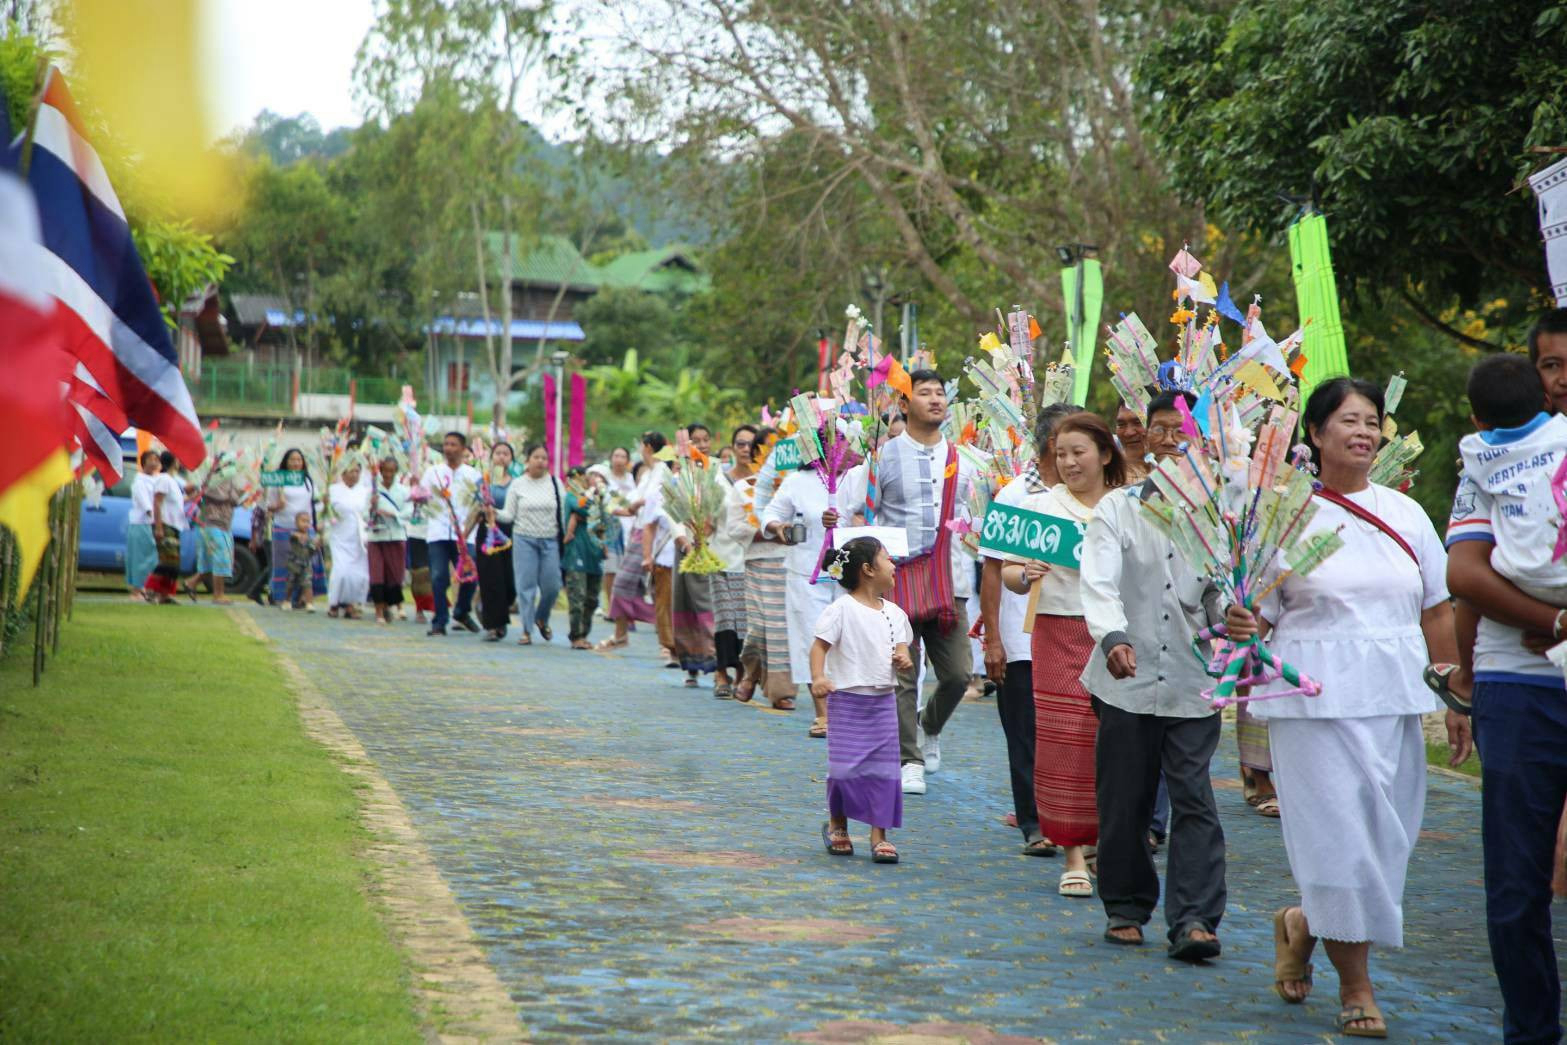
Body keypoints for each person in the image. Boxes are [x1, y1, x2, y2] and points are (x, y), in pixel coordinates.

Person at [1228, 377, 1468, 1038]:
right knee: (1337, 840)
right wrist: (1239, 618)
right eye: (1347, 420)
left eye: (1371, 422)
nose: (1361, 432)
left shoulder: (1406, 512)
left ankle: (1303, 921)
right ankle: (1356, 985)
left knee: (1386, 837)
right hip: (1310, 696)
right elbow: (1254, 612)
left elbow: (1436, 607)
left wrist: (1454, 694)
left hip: (1391, 694)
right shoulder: (1280, 517)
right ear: (1313, 433)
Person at [1445, 309, 1567, 1045]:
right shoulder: (1487, 462)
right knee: (1517, 880)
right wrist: (1552, 624)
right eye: (1551, 366)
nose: (1562, 382)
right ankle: (1531, 1031)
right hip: (1517, 684)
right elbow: (1463, 569)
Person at [1079, 389, 1226, 960]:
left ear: (1203, 445)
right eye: (1160, 429)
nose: (1169, 440)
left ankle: (1194, 919)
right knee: (1125, 800)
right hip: (1126, 680)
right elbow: (1099, 579)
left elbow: (1220, 593)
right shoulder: (1117, 510)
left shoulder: (1221, 519)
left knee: (1193, 798)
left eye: (1181, 431)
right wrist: (1113, 636)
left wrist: (1232, 620)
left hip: (1194, 681)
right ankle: (1126, 903)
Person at [839, 370, 982, 796]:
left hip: (948, 581)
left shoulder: (966, 460)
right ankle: (909, 759)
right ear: (904, 404)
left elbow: (982, 516)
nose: (935, 399)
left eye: (941, 393)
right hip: (894, 582)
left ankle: (928, 725)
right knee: (904, 675)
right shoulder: (880, 458)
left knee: (958, 673)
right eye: (925, 393)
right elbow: (857, 514)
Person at [1002, 412, 1124, 898]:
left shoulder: (1127, 506)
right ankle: (1071, 851)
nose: (1070, 462)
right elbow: (1008, 573)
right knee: (1063, 740)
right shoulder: (1040, 506)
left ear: (1105, 454)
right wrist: (1025, 573)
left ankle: (1100, 836)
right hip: (1057, 630)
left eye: (1079, 451)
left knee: (1112, 739)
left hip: (1115, 633)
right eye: (1061, 454)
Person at [980, 402, 1076, 857]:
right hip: (1021, 641)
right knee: (1024, 733)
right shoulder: (1014, 496)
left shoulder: (1090, 498)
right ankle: (1034, 822)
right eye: (1066, 440)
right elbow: (993, 570)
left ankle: (1074, 821)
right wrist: (993, 640)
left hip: (1074, 636)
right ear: (1047, 445)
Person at [811, 537, 915, 864]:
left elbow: (902, 648)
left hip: (883, 702)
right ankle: (837, 823)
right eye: (887, 558)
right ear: (868, 570)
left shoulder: (896, 613)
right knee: (844, 770)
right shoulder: (840, 609)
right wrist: (818, 677)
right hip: (847, 702)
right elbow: (819, 647)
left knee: (884, 772)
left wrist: (904, 659)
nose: (894, 564)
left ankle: (878, 836)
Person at [762, 445, 846, 738]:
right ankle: (823, 713)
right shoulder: (798, 481)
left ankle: (849, 712)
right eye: (840, 443)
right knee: (814, 638)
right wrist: (779, 526)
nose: (847, 450)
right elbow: (770, 513)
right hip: (806, 573)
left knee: (848, 642)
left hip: (853, 576)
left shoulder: (861, 476)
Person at [602, 434, 670, 651]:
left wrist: (637, 504)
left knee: (649, 588)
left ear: (648, 447)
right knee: (631, 586)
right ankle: (622, 635)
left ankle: (668, 642)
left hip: (653, 535)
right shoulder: (647, 474)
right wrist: (609, 503)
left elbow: (654, 502)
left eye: (642, 445)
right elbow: (631, 504)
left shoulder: (663, 472)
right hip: (638, 533)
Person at [499, 443, 566, 645]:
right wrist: (492, 512)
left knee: (552, 585)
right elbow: (508, 514)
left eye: (544, 458)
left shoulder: (555, 483)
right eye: (536, 457)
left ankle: (541, 617)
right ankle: (527, 630)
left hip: (550, 539)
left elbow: (562, 512)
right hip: (524, 539)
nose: (540, 461)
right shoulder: (518, 484)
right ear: (527, 461)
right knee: (525, 586)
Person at [710, 425, 759, 698]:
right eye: (739, 444)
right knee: (724, 618)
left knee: (744, 621)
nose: (744, 449)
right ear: (732, 447)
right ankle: (721, 672)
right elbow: (707, 519)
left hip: (750, 559)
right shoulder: (718, 481)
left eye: (750, 444)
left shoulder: (765, 481)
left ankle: (743, 673)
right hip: (719, 557)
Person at [420, 431, 482, 636]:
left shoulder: (473, 475)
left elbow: (479, 504)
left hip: (465, 534)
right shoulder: (433, 473)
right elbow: (421, 496)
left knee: (470, 574)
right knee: (438, 577)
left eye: (454, 444)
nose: (449, 448)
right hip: (438, 531)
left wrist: (468, 528)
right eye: (446, 444)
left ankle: (462, 611)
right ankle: (439, 621)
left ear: (463, 449)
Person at [267, 448, 323, 608]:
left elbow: (316, 503)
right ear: (286, 462)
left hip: (306, 529)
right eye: (292, 460)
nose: (296, 463)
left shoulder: (307, 480)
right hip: (283, 528)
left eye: (299, 460)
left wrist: (317, 522)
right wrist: (277, 506)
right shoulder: (278, 480)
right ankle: (282, 598)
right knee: (286, 564)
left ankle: (303, 598)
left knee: (307, 563)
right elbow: (266, 505)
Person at [184, 455, 242, 604]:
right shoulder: (210, 480)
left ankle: (191, 583)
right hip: (210, 524)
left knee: (213, 560)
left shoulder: (230, 480)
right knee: (220, 558)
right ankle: (218, 594)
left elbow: (235, 501)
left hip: (224, 523)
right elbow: (219, 495)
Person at [474, 443, 516, 641]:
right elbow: (475, 509)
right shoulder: (483, 481)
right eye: (498, 453)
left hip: (509, 532)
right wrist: (464, 533)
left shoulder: (516, 483)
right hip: (486, 531)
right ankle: (493, 625)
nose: (501, 457)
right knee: (491, 579)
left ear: (512, 458)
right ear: (491, 457)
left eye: (506, 454)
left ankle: (500, 613)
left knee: (508, 580)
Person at [562, 466, 607, 649]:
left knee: (592, 599)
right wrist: (596, 510)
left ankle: (584, 634)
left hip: (594, 553)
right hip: (576, 552)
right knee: (577, 597)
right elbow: (586, 510)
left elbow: (605, 514)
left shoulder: (596, 497)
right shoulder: (571, 497)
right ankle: (576, 635)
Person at [367, 456, 410, 625]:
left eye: (391, 471)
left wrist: (395, 515)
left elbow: (410, 510)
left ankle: (390, 605)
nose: (388, 474)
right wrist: (371, 507)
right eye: (385, 470)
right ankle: (378, 609)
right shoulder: (372, 489)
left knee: (394, 574)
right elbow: (364, 514)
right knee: (377, 573)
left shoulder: (403, 491)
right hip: (376, 536)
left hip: (396, 535)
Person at [324, 462, 371, 618]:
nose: (353, 474)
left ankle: (352, 604)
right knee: (341, 571)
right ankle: (334, 603)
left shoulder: (365, 491)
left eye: (357, 471)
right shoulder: (333, 490)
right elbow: (325, 513)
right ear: (343, 473)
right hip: (339, 536)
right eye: (350, 471)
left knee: (359, 573)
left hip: (359, 536)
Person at [144, 452, 190, 604]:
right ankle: (150, 589)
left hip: (175, 525)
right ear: (174, 461)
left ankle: (164, 594)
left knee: (173, 564)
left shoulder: (172, 481)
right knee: (167, 562)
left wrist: (195, 495)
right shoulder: (163, 479)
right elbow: (157, 502)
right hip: (165, 524)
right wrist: (158, 527)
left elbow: (177, 502)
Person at [595, 447, 636, 618]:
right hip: (611, 528)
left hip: (631, 528)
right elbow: (606, 503)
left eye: (623, 456)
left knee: (626, 570)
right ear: (611, 458)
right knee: (610, 569)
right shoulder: (604, 479)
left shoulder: (632, 479)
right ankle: (609, 604)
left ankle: (623, 605)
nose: (619, 459)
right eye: (616, 455)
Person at [125, 449, 161, 601]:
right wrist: (154, 520)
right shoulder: (139, 482)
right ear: (144, 462)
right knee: (140, 558)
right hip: (142, 524)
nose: (154, 462)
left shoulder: (156, 480)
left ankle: (143, 587)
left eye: (156, 460)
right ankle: (136, 590)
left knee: (151, 558)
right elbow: (146, 504)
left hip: (150, 523)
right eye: (151, 459)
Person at [283, 511, 317, 610]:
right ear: (296, 523)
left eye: (308, 522)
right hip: (294, 564)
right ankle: (287, 600)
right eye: (303, 521)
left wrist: (315, 545)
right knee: (290, 583)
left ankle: (309, 603)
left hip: (306, 565)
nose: (306, 524)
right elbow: (292, 536)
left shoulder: (310, 536)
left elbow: (312, 550)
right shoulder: (293, 533)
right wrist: (298, 536)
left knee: (307, 583)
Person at [1114, 405, 1150, 480]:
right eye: (1121, 425)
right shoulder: (1107, 473)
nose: (1129, 433)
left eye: (1138, 422)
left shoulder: (1177, 467)